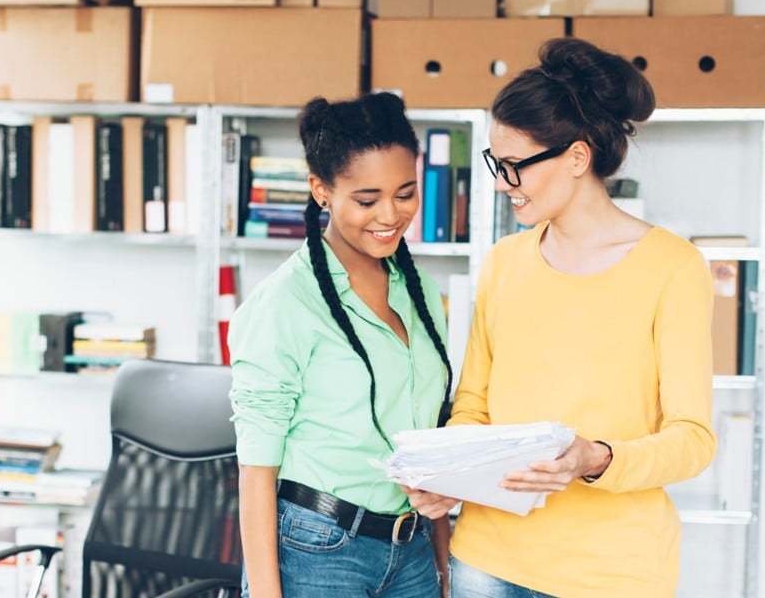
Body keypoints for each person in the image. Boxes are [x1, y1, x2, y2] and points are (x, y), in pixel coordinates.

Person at [403, 37, 718, 598]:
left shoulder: (674, 267)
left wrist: (592, 458)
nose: (501, 183)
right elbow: (473, 407)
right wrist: (447, 477)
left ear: (577, 157)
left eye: (515, 166)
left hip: (613, 573)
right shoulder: (504, 263)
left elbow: (692, 439)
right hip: (487, 560)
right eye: (495, 163)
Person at [228, 92, 454, 598]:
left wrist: (442, 568)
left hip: (411, 549)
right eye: (367, 200)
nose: (390, 215)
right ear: (321, 191)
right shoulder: (285, 302)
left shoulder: (419, 293)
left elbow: (431, 439)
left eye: (406, 193)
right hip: (318, 551)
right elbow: (256, 470)